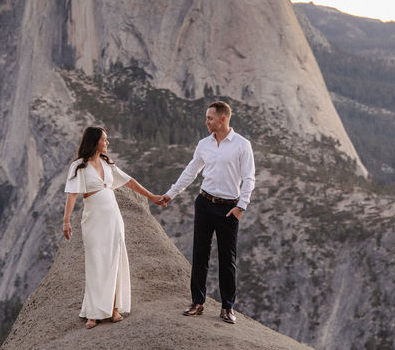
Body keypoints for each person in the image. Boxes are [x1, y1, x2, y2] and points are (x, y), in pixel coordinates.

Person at [160, 101, 255, 324]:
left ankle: (227, 307)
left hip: (229, 208)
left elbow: (249, 178)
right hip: (204, 202)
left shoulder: (242, 145)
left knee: (227, 259)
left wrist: (241, 206)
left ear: (223, 119)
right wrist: (170, 194)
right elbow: (191, 171)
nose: (206, 122)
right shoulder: (204, 144)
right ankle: (197, 302)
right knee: (200, 255)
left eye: (210, 118)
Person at [63, 126, 165, 329]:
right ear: (95, 142)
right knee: (96, 261)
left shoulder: (107, 164)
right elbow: (72, 194)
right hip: (93, 219)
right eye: (104, 139)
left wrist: (152, 196)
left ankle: (113, 309)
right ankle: (93, 312)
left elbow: (129, 181)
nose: (107, 143)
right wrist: (66, 221)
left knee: (115, 260)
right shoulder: (79, 166)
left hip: (113, 218)